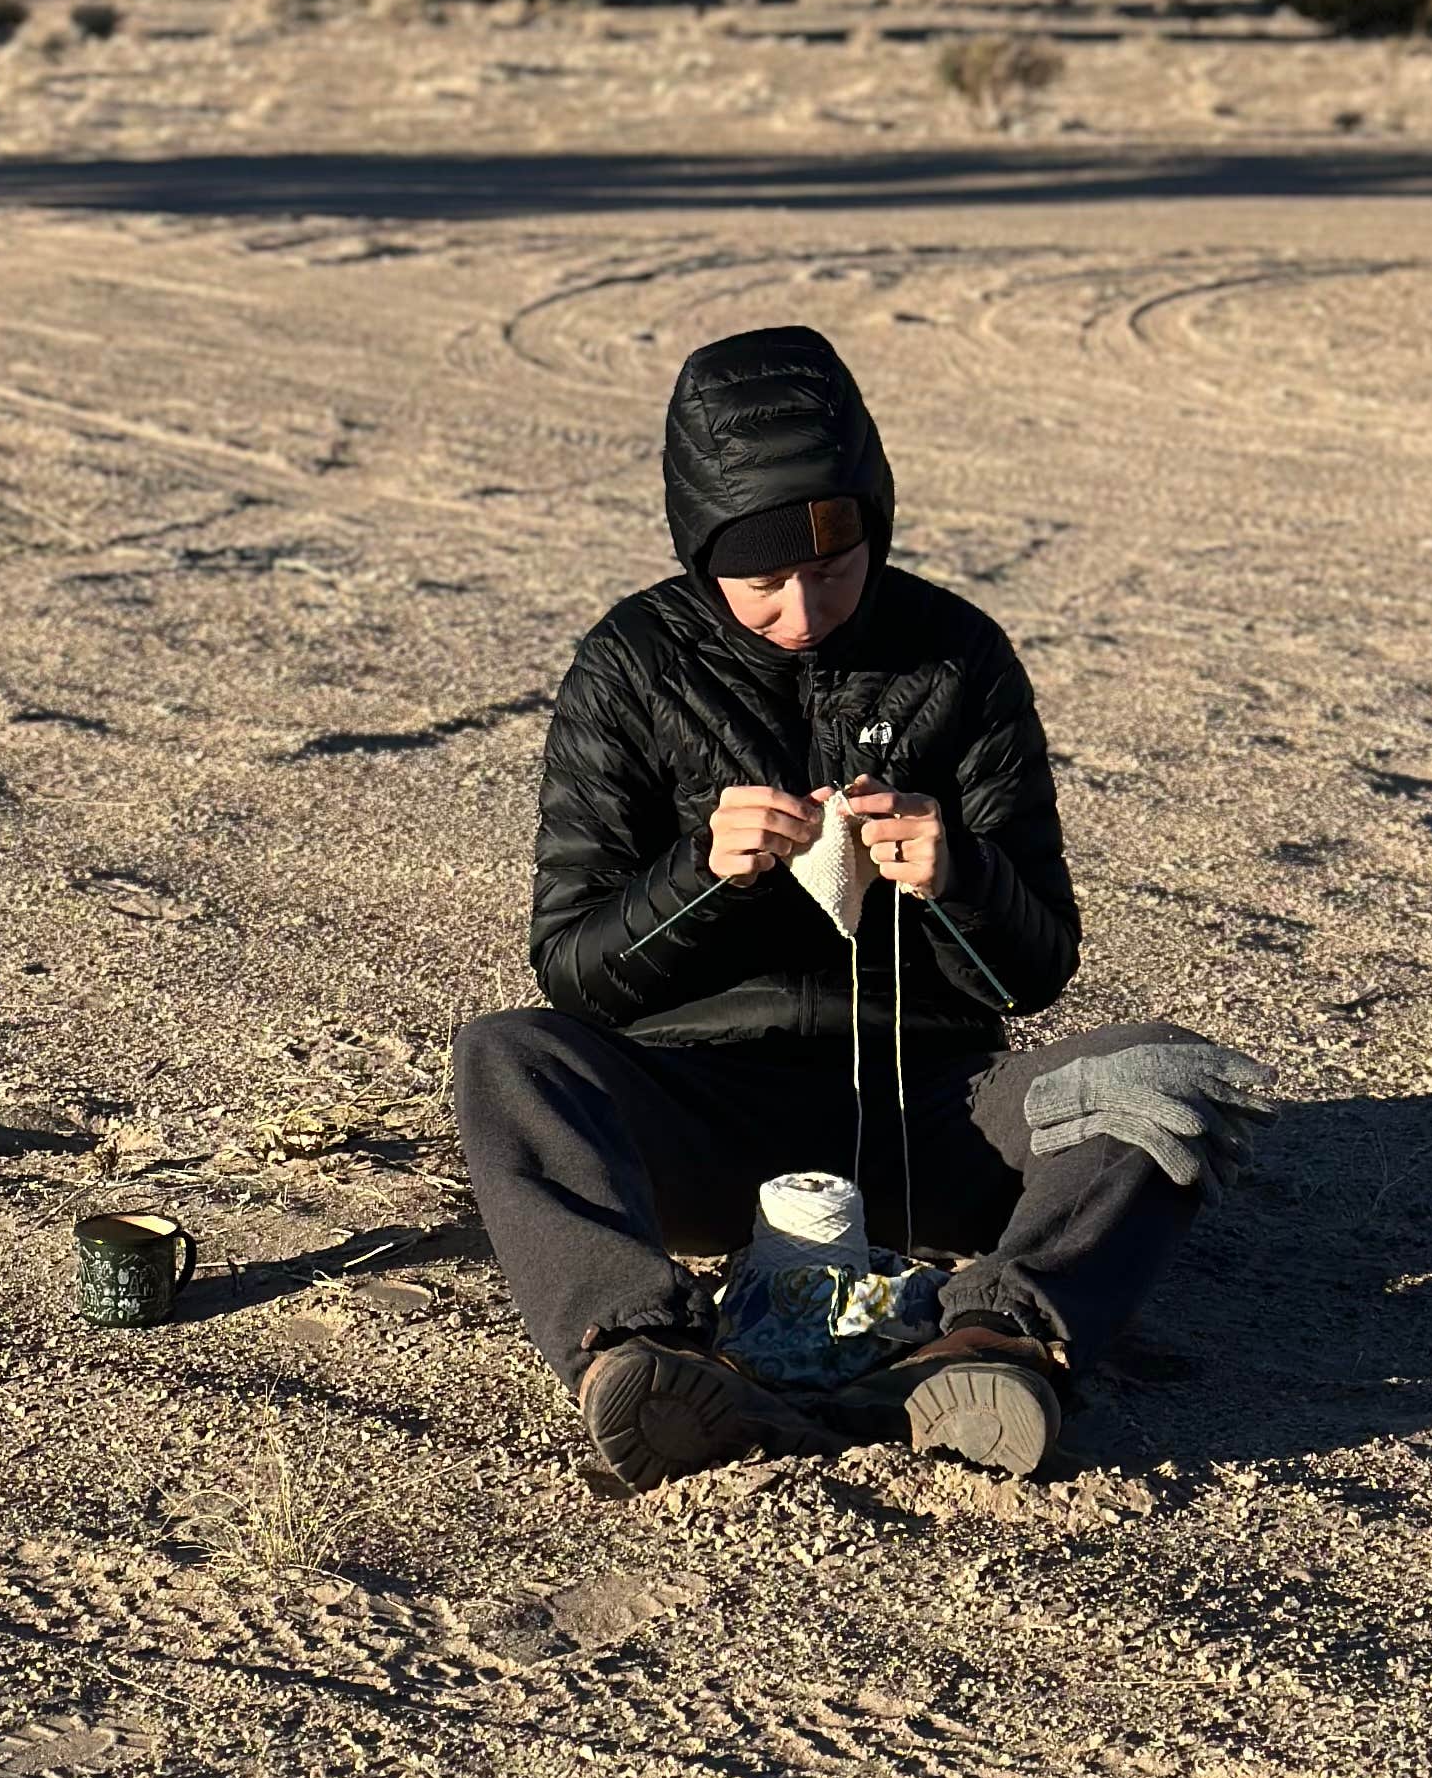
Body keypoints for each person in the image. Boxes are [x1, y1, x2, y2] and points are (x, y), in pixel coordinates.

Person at [455, 325, 1270, 1493]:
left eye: (835, 572)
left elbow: (1036, 972)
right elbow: (573, 971)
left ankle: (991, 1344)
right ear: (700, 555)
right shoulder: (629, 666)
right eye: (760, 586)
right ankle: (638, 1351)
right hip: (698, 1118)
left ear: (874, 527)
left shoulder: (958, 657)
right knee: (506, 1055)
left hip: (931, 1117)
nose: (802, 611)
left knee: (1163, 1077)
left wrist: (959, 878)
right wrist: (700, 872)